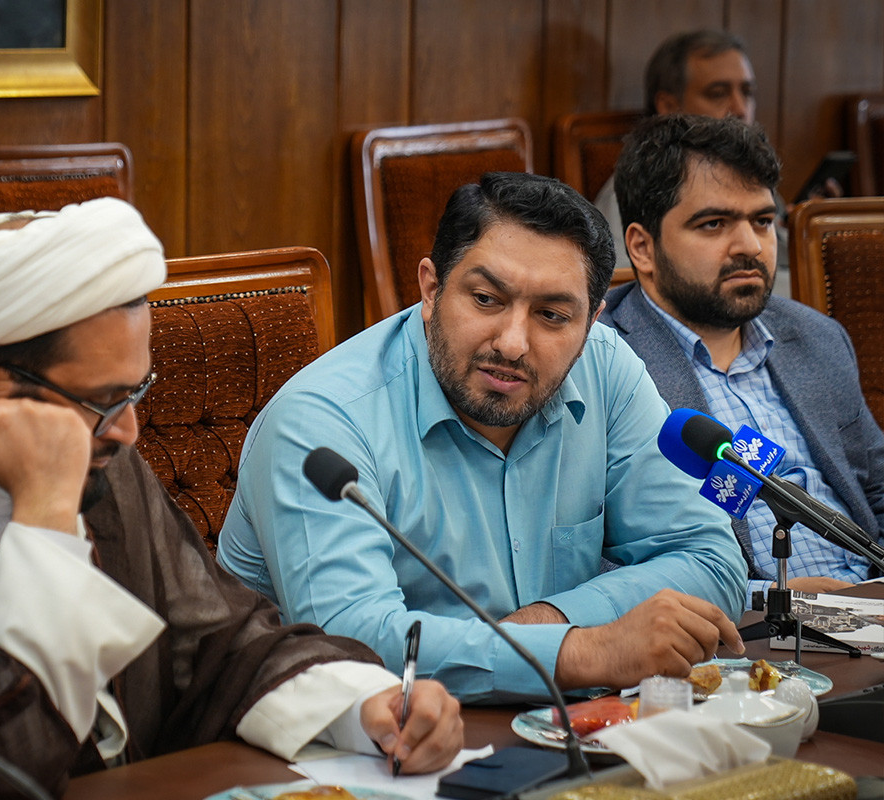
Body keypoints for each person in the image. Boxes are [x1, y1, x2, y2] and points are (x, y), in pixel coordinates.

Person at [0, 199, 463, 799]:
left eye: (136, 391)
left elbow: (219, 640)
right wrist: (45, 520)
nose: (130, 429)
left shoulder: (96, 452)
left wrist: (364, 706)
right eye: (105, 399)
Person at [217, 172, 748, 704]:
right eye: (487, 299)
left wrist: (550, 621)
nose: (513, 344)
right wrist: (581, 651)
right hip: (343, 740)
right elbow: (352, 646)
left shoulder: (605, 369)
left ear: (590, 323)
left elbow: (712, 560)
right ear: (431, 289)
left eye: (552, 315)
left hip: (555, 726)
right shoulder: (322, 421)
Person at [599, 113, 884, 607]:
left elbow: (878, 489)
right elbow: (595, 557)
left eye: (762, 221)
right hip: (745, 629)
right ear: (642, 247)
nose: (750, 246)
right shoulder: (601, 362)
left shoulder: (816, 337)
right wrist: (769, 597)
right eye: (714, 224)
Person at [590, 30, 802, 295]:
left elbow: (786, 258)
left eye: (747, 92)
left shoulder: (752, 177)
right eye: (718, 93)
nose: (740, 109)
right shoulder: (640, 189)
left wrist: (802, 226)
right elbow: (617, 282)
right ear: (669, 105)